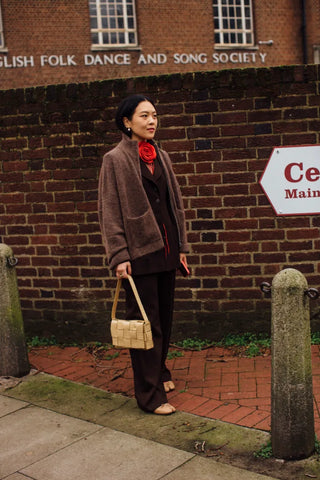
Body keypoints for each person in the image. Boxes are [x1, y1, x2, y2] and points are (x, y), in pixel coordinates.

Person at [98, 94, 189, 415]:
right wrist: (119, 255)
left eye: (155, 115)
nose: (152, 121)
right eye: (144, 116)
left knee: (164, 319)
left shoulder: (161, 156)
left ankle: (160, 371)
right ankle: (149, 397)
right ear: (127, 122)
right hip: (138, 255)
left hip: (166, 251)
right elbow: (109, 212)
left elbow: (173, 204)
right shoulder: (115, 159)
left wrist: (180, 249)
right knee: (145, 324)